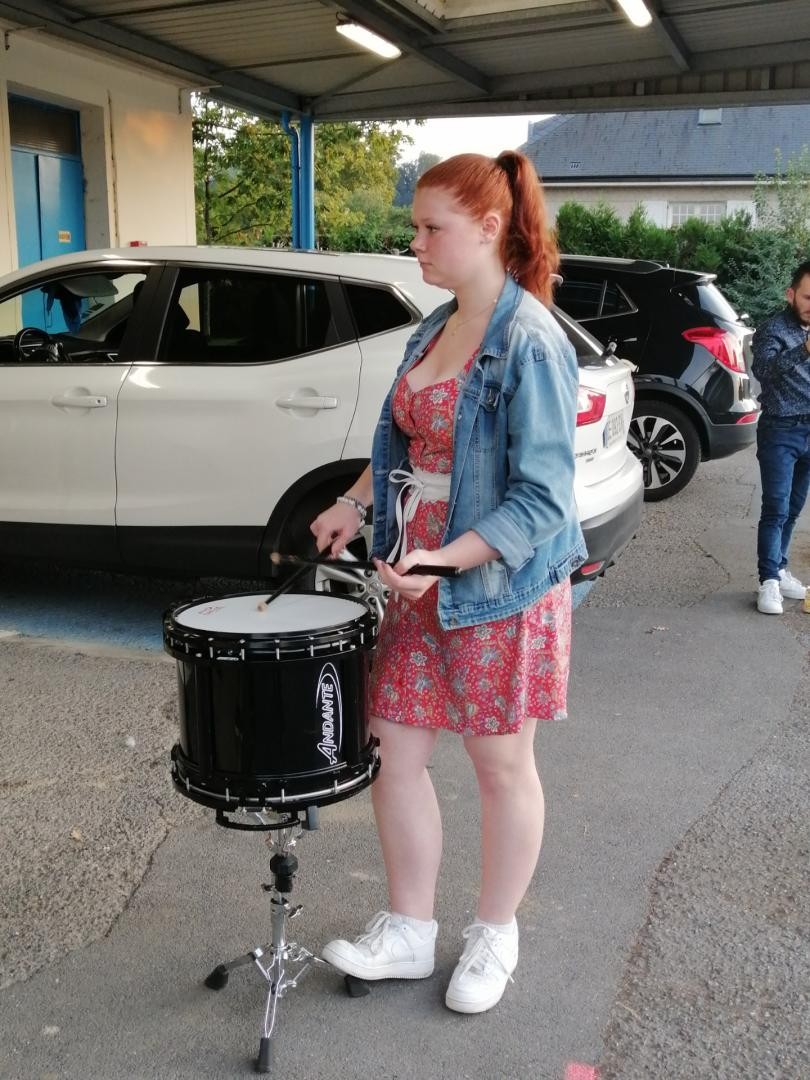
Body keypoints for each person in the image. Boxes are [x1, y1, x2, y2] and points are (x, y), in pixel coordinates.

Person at [309, 151, 586, 1014]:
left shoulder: (530, 339)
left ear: (491, 228)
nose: (416, 243)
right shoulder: (432, 328)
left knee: (500, 764)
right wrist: (355, 503)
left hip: (496, 585)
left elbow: (544, 498)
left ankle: (496, 932)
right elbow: (406, 444)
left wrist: (441, 562)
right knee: (392, 751)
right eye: (416, 227)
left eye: (432, 228)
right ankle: (409, 929)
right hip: (416, 579)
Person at [751, 260, 810, 615]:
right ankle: (768, 581)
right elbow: (763, 371)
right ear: (791, 294)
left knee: (794, 508)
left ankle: (781, 568)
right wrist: (803, 350)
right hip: (780, 430)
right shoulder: (772, 329)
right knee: (776, 507)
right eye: (808, 297)